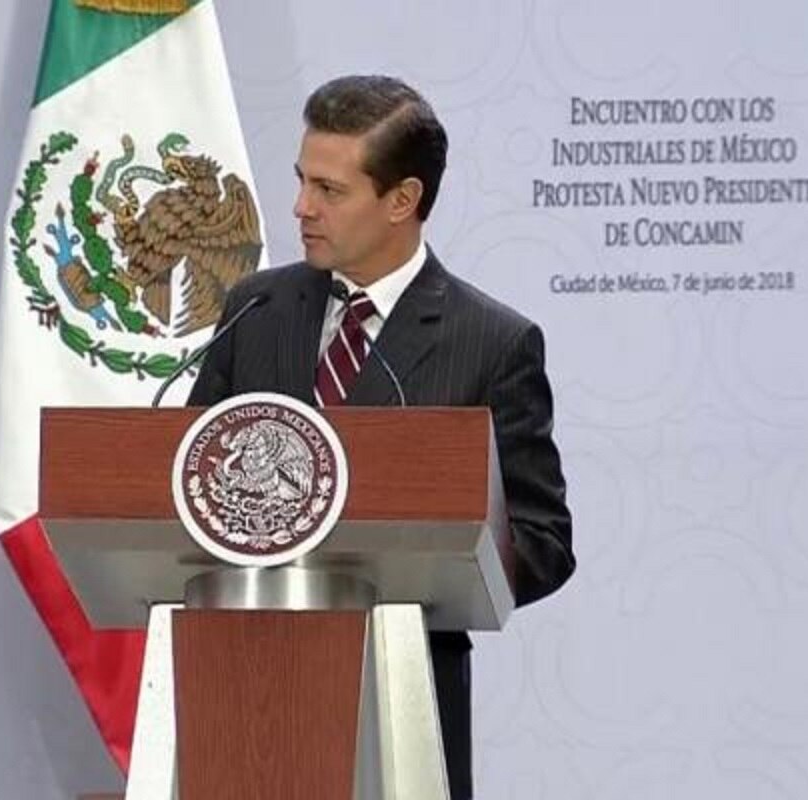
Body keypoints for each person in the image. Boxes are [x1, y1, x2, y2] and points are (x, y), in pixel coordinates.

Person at [187, 74, 575, 800]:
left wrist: (435, 570)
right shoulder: (255, 308)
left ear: (402, 200)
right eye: (302, 181)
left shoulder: (492, 342)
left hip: (403, 696)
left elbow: (544, 540)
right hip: (241, 683)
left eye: (329, 190)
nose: (301, 207)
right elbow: (187, 489)